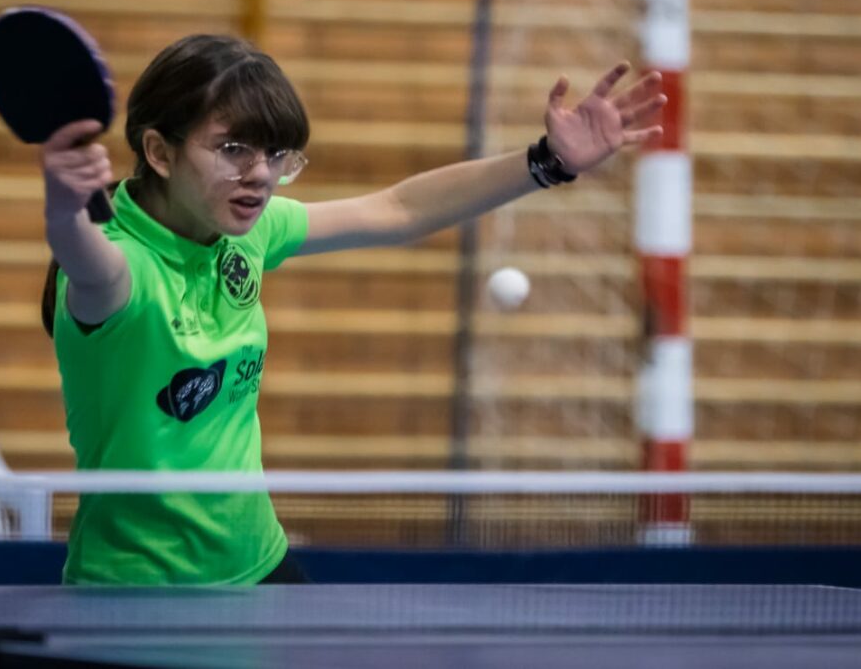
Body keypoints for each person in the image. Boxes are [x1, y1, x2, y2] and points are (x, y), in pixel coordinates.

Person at [40, 34, 664, 585]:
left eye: (277, 154)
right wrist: (63, 209)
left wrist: (545, 163)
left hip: (259, 566)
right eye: (232, 148)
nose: (261, 175)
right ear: (159, 151)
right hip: (136, 594)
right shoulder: (121, 270)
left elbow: (397, 209)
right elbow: (88, 263)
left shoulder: (242, 231)